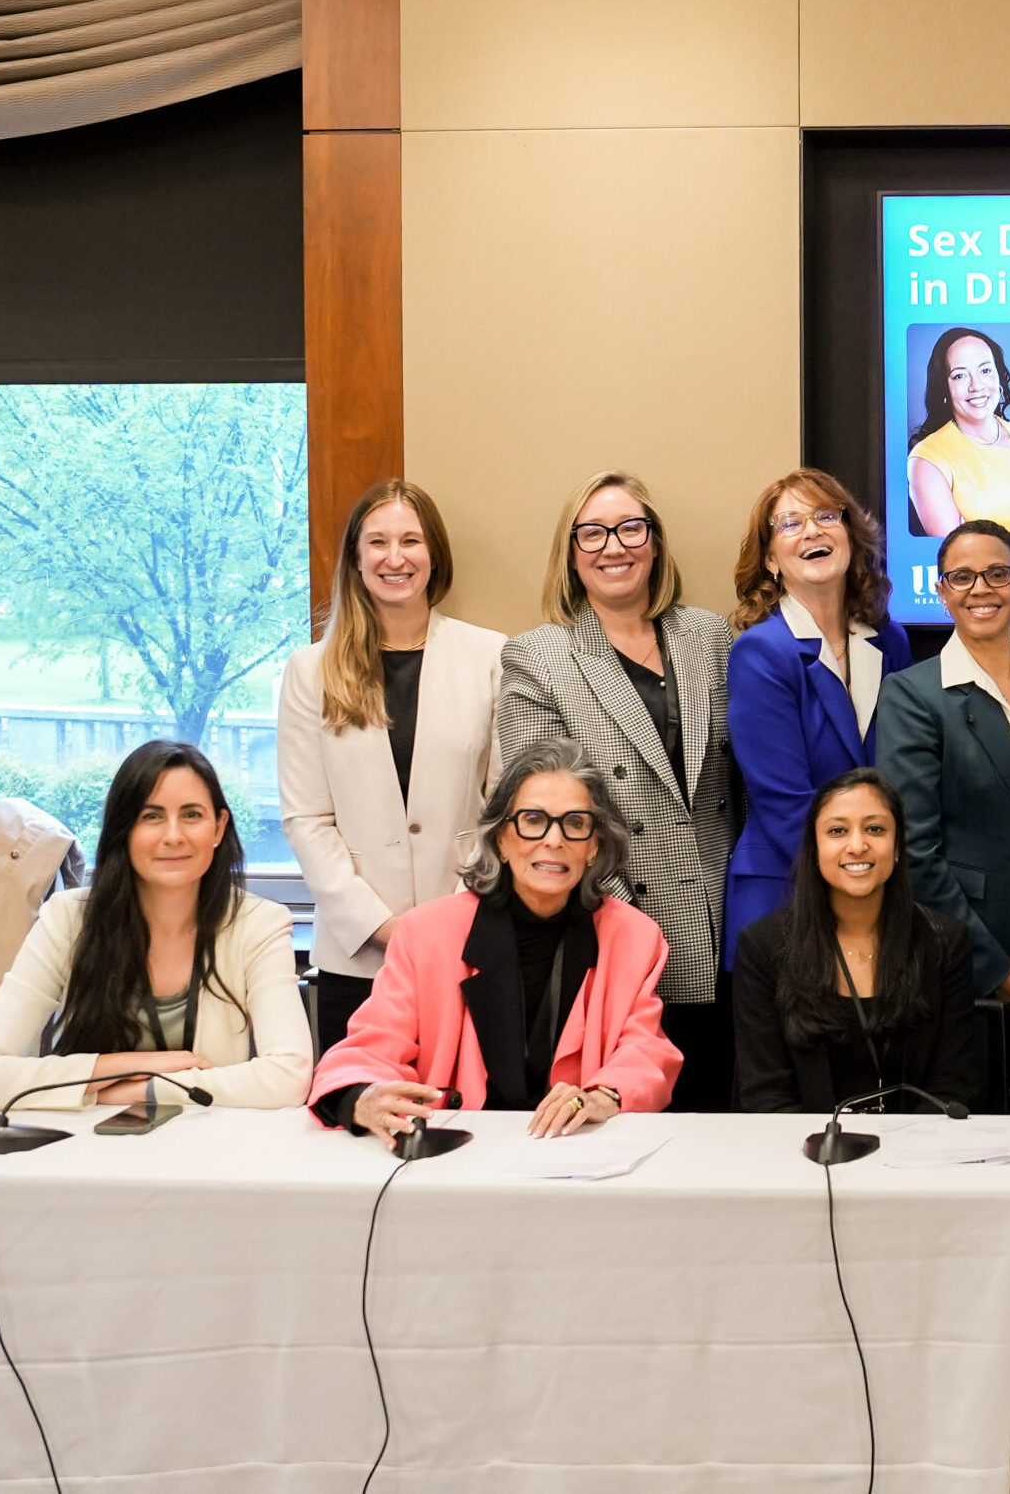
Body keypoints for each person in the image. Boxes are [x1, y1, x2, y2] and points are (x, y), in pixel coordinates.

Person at [497, 471, 736, 1111]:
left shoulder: (710, 637)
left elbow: (742, 782)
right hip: (613, 922)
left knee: (723, 1120)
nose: (614, 546)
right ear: (571, 554)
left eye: (632, 528)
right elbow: (539, 811)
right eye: (593, 533)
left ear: (654, 543)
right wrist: (621, 916)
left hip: (724, 916)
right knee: (630, 1119)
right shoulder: (537, 656)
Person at [310, 740, 680, 1139]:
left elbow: (646, 1051)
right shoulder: (426, 934)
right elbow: (370, 1049)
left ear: (594, 845)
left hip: (576, 1151)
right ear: (501, 838)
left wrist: (604, 1095)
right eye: (533, 819)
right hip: (456, 1155)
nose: (554, 840)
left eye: (575, 823)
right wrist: (365, 1096)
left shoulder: (635, 937)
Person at [870, 521, 1010, 1096]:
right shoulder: (912, 694)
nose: (982, 589)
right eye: (962, 577)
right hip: (960, 969)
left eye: (998, 573)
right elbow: (915, 850)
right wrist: (1001, 974)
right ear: (941, 591)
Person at [279, 479, 504, 1055]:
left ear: (435, 554)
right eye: (377, 542)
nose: (395, 557)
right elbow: (307, 818)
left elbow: (504, 807)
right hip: (357, 953)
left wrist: (451, 919)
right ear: (356, 559)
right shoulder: (311, 671)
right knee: (360, 1115)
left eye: (411, 540)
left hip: (468, 942)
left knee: (473, 1113)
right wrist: (382, 927)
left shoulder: (490, 657)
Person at [0, 742, 311, 1111]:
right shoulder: (67, 919)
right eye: (151, 816)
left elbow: (288, 1079)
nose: (173, 835)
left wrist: (139, 1090)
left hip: (212, 1148)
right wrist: (123, 1067)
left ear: (218, 827)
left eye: (192, 815)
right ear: (124, 830)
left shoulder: (260, 925)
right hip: (81, 1150)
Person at [724, 470, 912, 957]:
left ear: (851, 535)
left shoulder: (890, 640)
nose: (811, 531)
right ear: (770, 559)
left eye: (827, 516)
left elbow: (902, 774)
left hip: (878, 896)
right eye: (789, 523)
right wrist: (857, 892)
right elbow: (785, 802)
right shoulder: (761, 653)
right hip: (789, 897)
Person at [732, 769, 983, 1114]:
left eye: (875, 829)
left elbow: (953, 1085)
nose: (857, 845)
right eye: (837, 831)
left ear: (897, 848)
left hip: (915, 1154)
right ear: (815, 848)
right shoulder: (763, 948)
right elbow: (766, 1095)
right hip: (807, 1155)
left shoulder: (944, 943)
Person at [907, 326, 1010, 535]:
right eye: (959, 376)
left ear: (999, 377)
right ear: (944, 388)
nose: (977, 386)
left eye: (985, 370)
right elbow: (956, 553)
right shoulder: (927, 460)